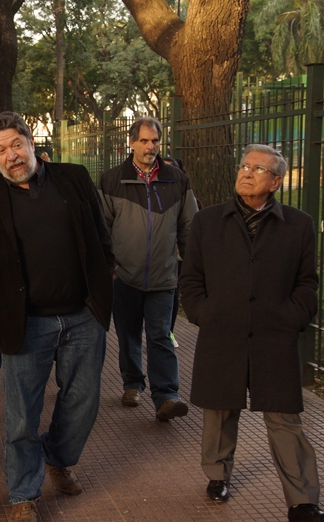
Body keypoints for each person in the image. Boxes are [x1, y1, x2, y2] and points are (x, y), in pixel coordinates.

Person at [179, 145, 324, 522]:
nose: (247, 173)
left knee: (285, 418)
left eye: (258, 169)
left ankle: (302, 501)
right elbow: (190, 279)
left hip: (275, 335)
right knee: (220, 409)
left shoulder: (298, 225)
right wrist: (205, 312)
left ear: (276, 182)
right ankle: (217, 475)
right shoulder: (207, 221)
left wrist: (292, 317)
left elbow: (307, 284)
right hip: (223, 332)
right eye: (243, 166)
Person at [0, 112, 114, 522]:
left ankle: (58, 456)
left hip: (83, 316)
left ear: (32, 143)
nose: (11, 155)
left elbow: (100, 237)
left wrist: (105, 283)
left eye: (16, 144)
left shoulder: (74, 178)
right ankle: (23, 494)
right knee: (21, 416)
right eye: (1, 150)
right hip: (23, 323)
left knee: (84, 401)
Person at [98, 117, 197, 421]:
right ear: (131, 143)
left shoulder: (177, 180)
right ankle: (132, 382)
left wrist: (188, 266)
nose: (150, 146)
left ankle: (166, 395)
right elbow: (100, 229)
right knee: (128, 334)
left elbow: (189, 226)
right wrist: (110, 269)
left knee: (161, 335)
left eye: (155, 141)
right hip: (124, 277)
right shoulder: (112, 180)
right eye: (144, 140)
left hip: (164, 277)